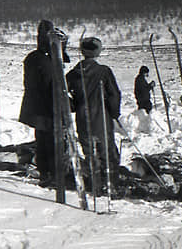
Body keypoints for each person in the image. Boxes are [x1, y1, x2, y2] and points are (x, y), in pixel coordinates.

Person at [66, 37, 122, 189]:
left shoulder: (73, 74)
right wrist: (114, 113)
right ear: (97, 52)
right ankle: (111, 185)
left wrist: (74, 105)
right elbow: (114, 95)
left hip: (83, 119)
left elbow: (63, 94)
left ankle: (95, 184)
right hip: (101, 118)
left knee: (89, 152)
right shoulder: (103, 71)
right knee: (107, 152)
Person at [18, 20, 69, 186]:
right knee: (51, 142)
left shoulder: (33, 58)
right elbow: (53, 86)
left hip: (37, 109)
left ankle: (46, 173)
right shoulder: (46, 62)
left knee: (42, 140)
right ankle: (53, 175)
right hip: (47, 109)